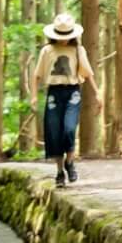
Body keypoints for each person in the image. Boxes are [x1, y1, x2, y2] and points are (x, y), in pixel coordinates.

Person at [29, 14, 94, 187]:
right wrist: (34, 96)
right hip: (54, 93)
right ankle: (59, 172)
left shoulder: (78, 50)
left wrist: (97, 94)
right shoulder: (47, 51)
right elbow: (37, 75)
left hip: (72, 92)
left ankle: (70, 162)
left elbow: (88, 73)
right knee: (54, 132)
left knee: (69, 128)